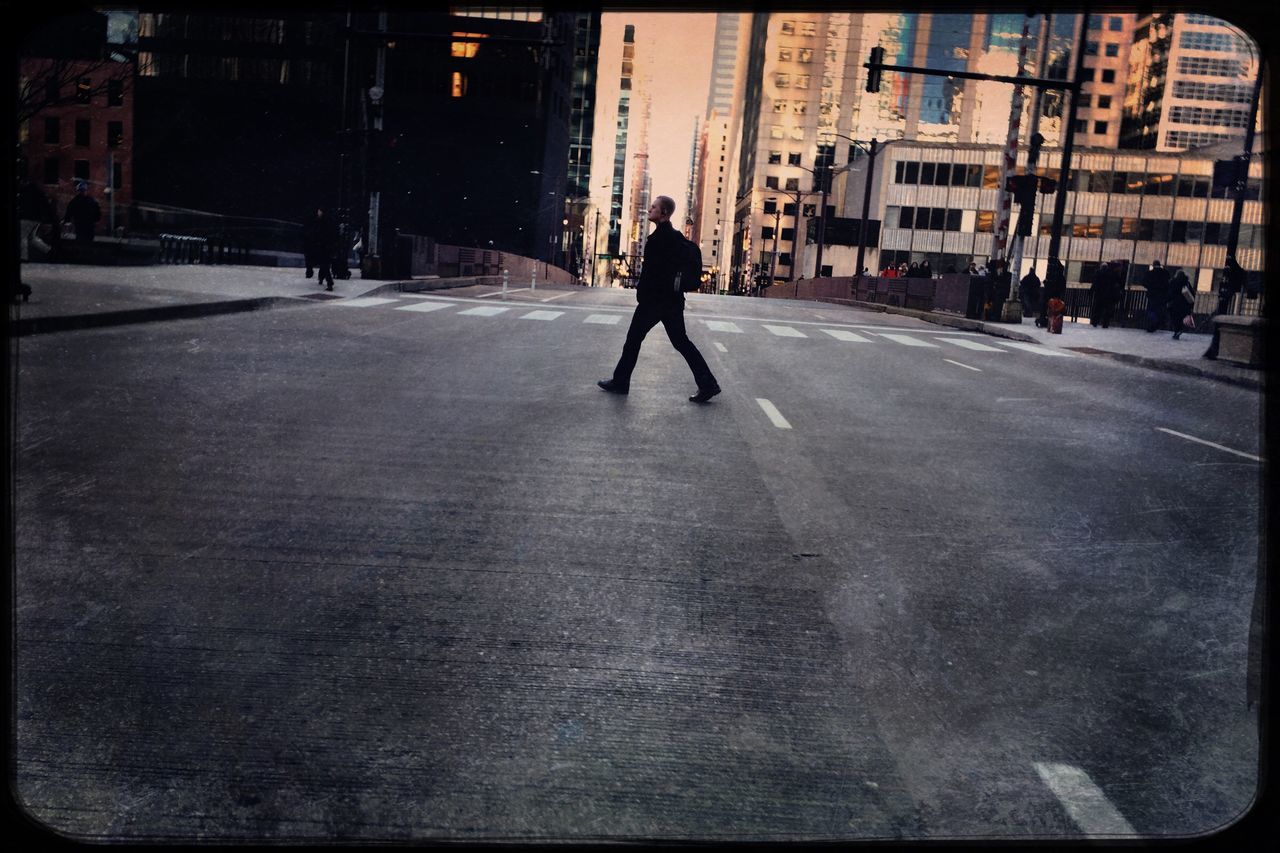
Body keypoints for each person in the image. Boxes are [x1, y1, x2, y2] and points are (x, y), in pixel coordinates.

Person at [598, 195, 720, 403]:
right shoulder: (676, 237)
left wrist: (643, 295)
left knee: (633, 340)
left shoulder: (659, 240)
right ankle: (708, 384)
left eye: (654, 207)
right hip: (672, 301)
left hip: (654, 302)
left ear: (663, 213)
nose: (649, 209)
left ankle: (620, 382)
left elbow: (652, 274)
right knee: (681, 343)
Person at [303, 207, 338, 290]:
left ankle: (328, 282)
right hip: (325, 247)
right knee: (324, 265)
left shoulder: (321, 222)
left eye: (319, 211)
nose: (318, 212)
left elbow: (316, 233)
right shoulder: (328, 221)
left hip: (322, 246)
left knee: (323, 265)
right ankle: (323, 279)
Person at [1142, 259, 1170, 333]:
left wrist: (1150, 287)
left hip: (1152, 294)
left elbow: (1144, 282)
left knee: (1151, 310)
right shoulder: (1165, 273)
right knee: (1159, 310)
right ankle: (1159, 323)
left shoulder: (1149, 273)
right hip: (1162, 295)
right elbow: (1167, 284)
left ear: (1153, 265)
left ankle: (1151, 324)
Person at [1168, 268, 1195, 340]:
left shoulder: (1173, 282)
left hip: (1174, 303)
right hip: (1185, 304)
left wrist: (1168, 300)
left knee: (1174, 318)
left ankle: (1177, 330)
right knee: (1181, 317)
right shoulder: (1187, 282)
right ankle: (1180, 329)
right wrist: (1191, 305)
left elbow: (1170, 293)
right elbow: (1192, 293)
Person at [1042, 259, 1067, 334]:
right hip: (1058, 295)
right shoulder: (1061, 277)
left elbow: (1047, 283)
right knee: (1057, 310)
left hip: (1052, 294)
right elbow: (1063, 287)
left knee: (1051, 309)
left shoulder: (1053, 275)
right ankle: (1054, 325)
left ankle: (1050, 324)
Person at [1090, 262, 1117, 328]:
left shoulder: (1098, 273)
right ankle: (1105, 323)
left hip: (1099, 294)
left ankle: (1095, 322)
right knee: (1106, 310)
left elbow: (1095, 283)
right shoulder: (1110, 274)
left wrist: (1091, 291)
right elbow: (1113, 285)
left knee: (1097, 309)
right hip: (1108, 295)